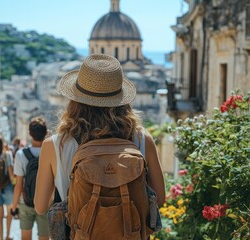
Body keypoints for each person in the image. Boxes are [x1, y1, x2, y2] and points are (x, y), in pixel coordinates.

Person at [34, 54, 166, 238]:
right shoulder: (143, 140)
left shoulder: (55, 145)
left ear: (75, 99)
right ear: (122, 100)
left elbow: (40, 206)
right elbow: (159, 199)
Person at [12, 117, 50, 240]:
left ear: (29, 134)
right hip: (46, 202)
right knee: (44, 237)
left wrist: (14, 206)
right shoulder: (51, 152)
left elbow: (19, 185)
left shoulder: (20, 154)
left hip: (25, 202)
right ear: (46, 133)